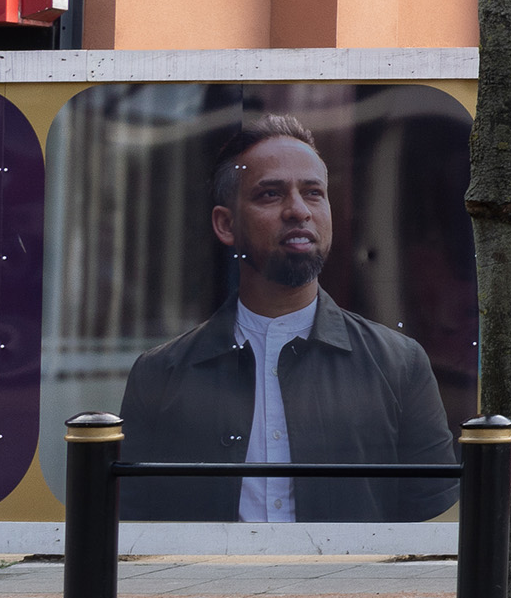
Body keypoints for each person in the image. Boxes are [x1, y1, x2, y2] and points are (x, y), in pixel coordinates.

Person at [119, 112, 458, 523]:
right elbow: (131, 534)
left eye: (313, 193)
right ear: (226, 224)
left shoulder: (400, 365)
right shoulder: (160, 375)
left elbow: (436, 529)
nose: (298, 210)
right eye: (270, 195)